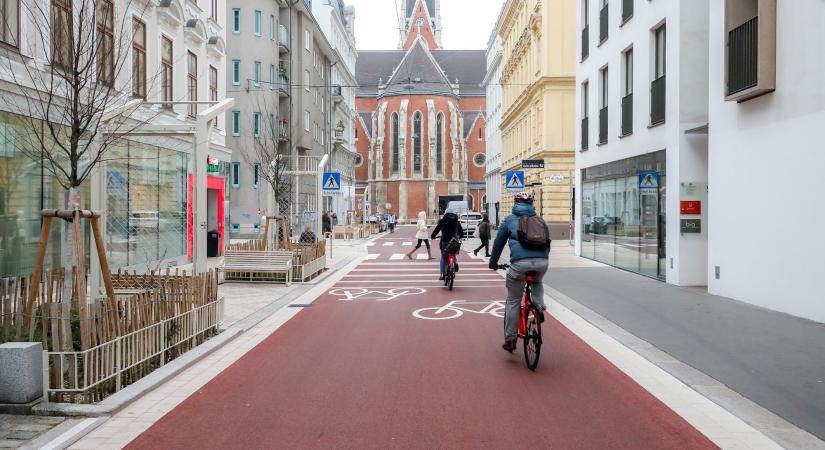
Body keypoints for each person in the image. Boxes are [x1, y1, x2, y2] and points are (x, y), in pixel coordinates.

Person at [488, 192, 550, 353]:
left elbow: (498, 244)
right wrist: (541, 259)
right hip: (542, 262)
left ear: (515, 203)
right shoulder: (540, 220)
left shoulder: (509, 220)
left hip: (519, 264)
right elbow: (548, 243)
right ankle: (538, 307)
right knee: (537, 281)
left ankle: (510, 339)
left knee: (514, 301)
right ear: (531, 204)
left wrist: (493, 263)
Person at [431, 208, 464, 280]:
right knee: (453, 253)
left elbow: (437, 229)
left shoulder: (442, 221)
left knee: (443, 257)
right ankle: (454, 264)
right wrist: (461, 236)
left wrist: (433, 236)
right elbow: (461, 231)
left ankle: (442, 274)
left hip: (444, 241)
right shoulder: (456, 221)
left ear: (445, 214)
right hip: (454, 240)